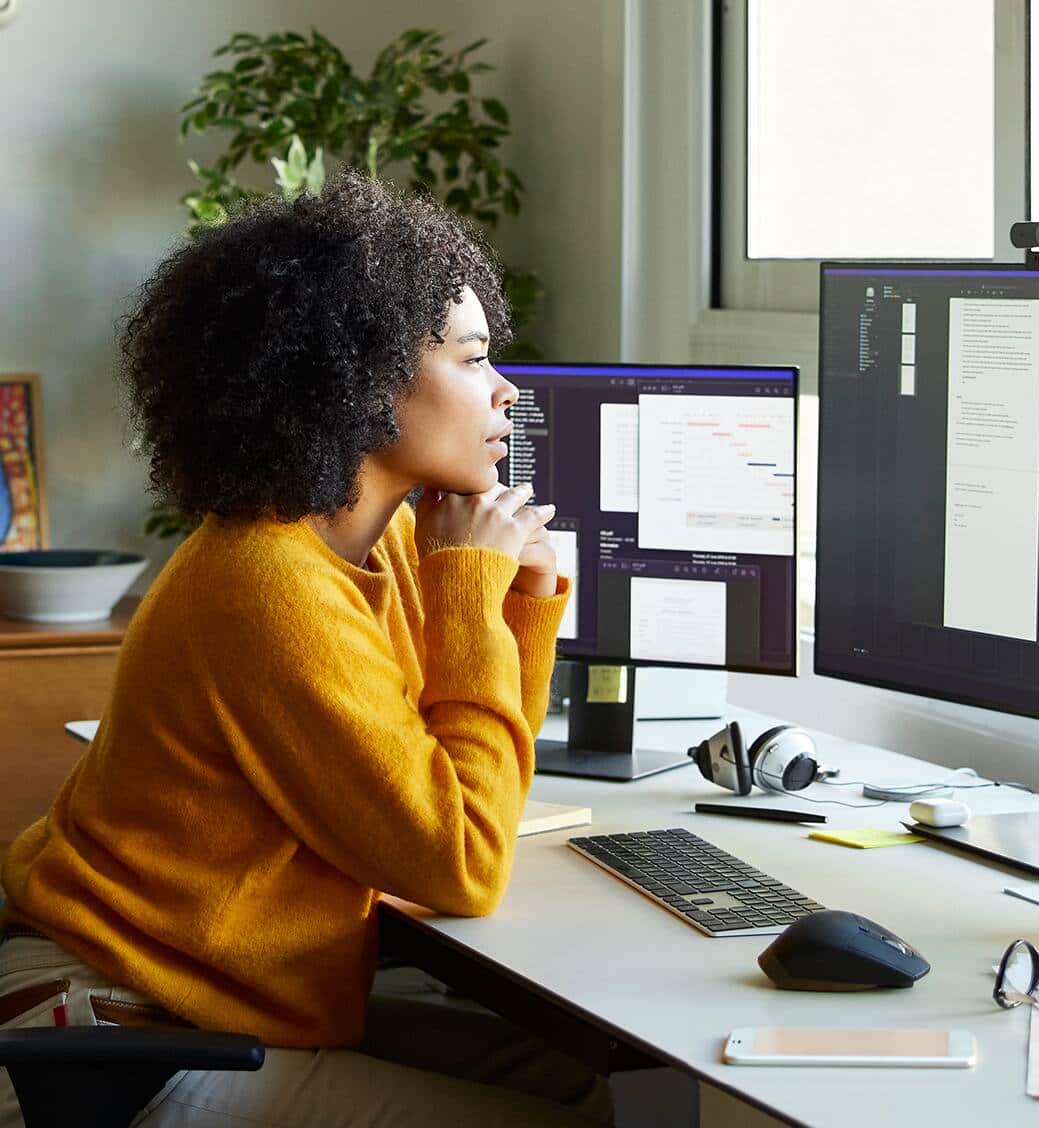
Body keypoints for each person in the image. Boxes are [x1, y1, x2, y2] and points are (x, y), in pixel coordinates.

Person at [0, 171, 611, 1126]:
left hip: (215, 1001)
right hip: (123, 1034)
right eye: (473, 358)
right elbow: (462, 862)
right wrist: (470, 591)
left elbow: (469, 785)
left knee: (601, 1084)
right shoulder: (267, 583)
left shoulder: (388, 542)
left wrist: (520, 601)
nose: (507, 391)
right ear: (360, 383)